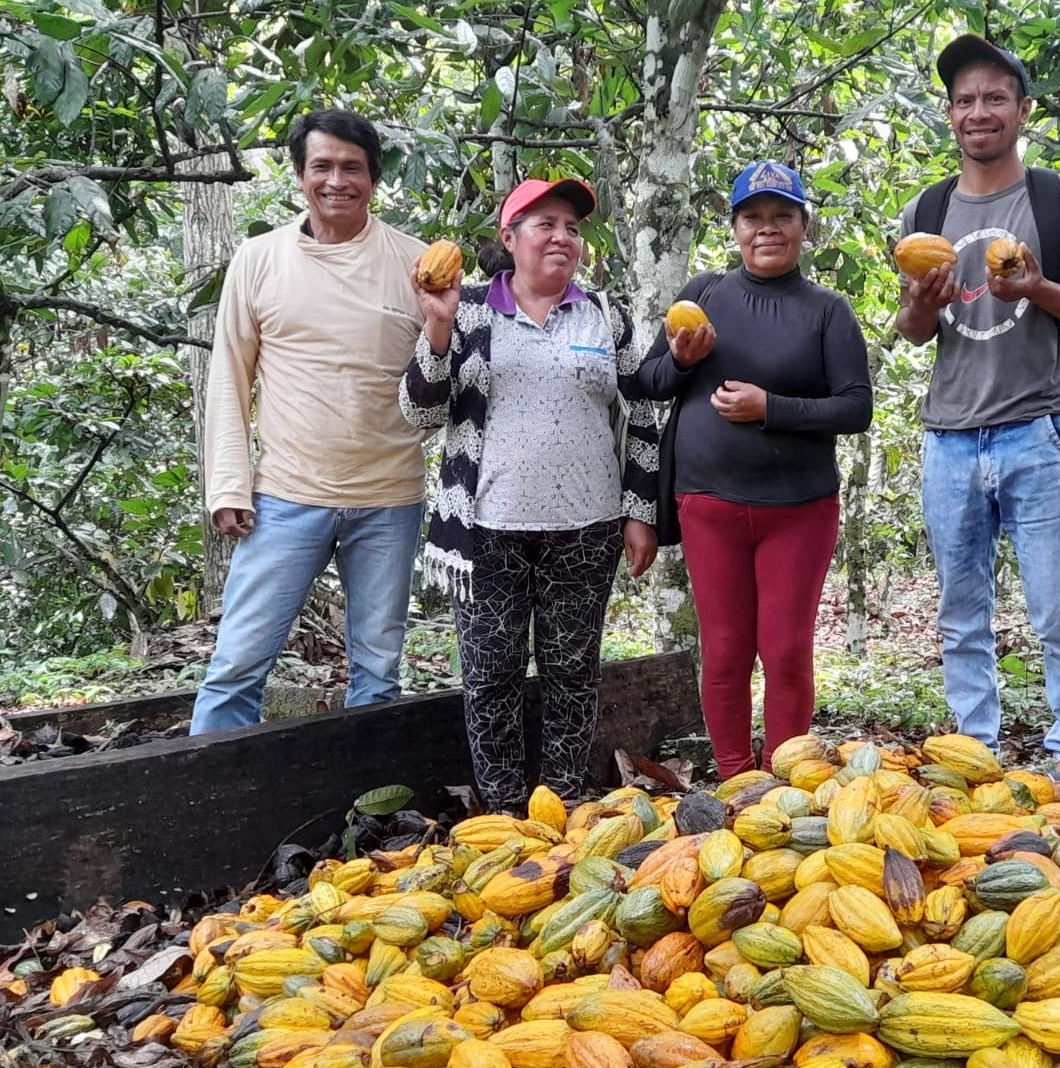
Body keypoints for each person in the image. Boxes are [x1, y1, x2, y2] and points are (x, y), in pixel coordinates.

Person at [401, 177, 659, 809]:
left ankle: (562, 803)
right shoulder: (467, 310)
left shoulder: (604, 313)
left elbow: (646, 409)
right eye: (545, 224)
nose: (562, 237)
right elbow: (420, 413)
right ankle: (503, 811)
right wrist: (437, 329)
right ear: (509, 237)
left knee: (573, 673)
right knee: (492, 675)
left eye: (572, 227)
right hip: (487, 529)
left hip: (587, 526)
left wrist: (642, 512)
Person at [894, 35, 1060, 778]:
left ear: (1023, 109)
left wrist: (1040, 289)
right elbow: (915, 332)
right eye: (964, 100)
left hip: (1034, 428)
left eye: (993, 98)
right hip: (950, 436)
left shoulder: (1058, 199)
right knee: (961, 616)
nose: (977, 112)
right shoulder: (926, 211)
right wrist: (922, 305)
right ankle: (974, 755)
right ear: (950, 114)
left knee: (1058, 612)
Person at [626, 160, 872, 779]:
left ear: (803, 227)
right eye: (753, 217)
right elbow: (649, 382)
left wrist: (772, 408)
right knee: (727, 650)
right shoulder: (703, 296)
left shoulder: (827, 310)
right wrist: (681, 360)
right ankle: (738, 779)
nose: (768, 229)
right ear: (735, 228)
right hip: (709, 503)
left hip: (800, 508)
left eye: (782, 216)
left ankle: (787, 777)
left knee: (785, 651)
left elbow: (855, 407)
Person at [192, 109, 428, 734]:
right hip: (286, 496)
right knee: (238, 663)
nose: (337, 180)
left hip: (390, 498)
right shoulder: (259, 258)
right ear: (299, 173)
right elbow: (230, 377)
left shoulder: (417, 263)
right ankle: (203, 803)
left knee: (378, 673)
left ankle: (373, 814)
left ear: (373, 178)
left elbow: (447, 378)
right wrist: (227, 487)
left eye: (353, 167)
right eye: (322, 166)